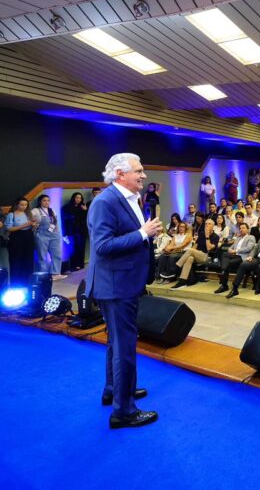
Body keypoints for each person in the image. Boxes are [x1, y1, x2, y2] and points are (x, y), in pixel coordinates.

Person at [86, 153, 161, 429]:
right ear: (120, 174)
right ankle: (124, 411)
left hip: (123, 283)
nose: (143, 175)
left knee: (116, 343)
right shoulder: (106, 202)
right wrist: (143, 233)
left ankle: (114, 390)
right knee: (125, 347)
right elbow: (103, 246)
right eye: (138, 171)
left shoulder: (126, 198)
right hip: (116, 286)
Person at [225, 222, 260, 297]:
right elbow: (255, 248)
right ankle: (235, 288)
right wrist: (251, 256)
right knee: (244, 264)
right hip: (258, 258)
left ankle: (258, 286)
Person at [171, 218, 219, 289]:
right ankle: (182, 281)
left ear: (213, 226)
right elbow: (195, 246)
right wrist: (192, 252)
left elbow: (209, 248)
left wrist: (207, 236)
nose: (207, 225)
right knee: (189, 258)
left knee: (190, 250)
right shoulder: (201, 234)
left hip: (206, 256)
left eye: (209, 224)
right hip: (197, 254)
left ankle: (177, 266)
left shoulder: (216, 236)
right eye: (205, 224)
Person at [214, 222, 256, 295]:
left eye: (243, 228)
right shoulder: (238, 238)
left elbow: (248, 248)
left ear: (248, 229)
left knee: (227, 263)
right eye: (240, 228)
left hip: (242, 257)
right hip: (234, 255)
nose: (241, 229)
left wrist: (236, 250)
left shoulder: (251, 237)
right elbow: (231, 247)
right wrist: (229, 249)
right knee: (224, 253)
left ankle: (223, 281)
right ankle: (224, 279)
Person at [31, 194, 65, 280]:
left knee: (57, 254)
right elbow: (29, 221)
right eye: (44, 200)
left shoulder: (52, 210)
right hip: (42, 235)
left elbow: (55, 222)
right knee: (42, 256)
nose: (46, 202)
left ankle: (56, 273)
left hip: (54, 235)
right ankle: (44, 275)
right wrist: (34, 226)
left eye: (48, 200)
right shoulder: (35, 210)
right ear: (40, 201)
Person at [4, 197, 36, 287]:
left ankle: (28, 282)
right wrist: (25, 225)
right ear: (17, 205)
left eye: (25, 205)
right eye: (22, 204)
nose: (24, 206)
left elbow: (31, 228)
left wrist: (33, 226)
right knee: (16, 261)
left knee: (28, 260)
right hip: (16, 238)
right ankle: (16, 284)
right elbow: (9, 228)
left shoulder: (28, 214)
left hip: (28, 238)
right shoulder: (11, 214)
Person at [62, 192, 89, 271]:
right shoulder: (67, 207)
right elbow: (64, 220)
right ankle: (74, 265)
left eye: (80, 198)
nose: (78, 199)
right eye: (77, 197)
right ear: (73, 198)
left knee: (81, 247)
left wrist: (85, 211)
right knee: (73, 248)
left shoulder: (83, 207)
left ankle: (80, 263)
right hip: (71, 231)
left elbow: (88, 219)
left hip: (81, 231)